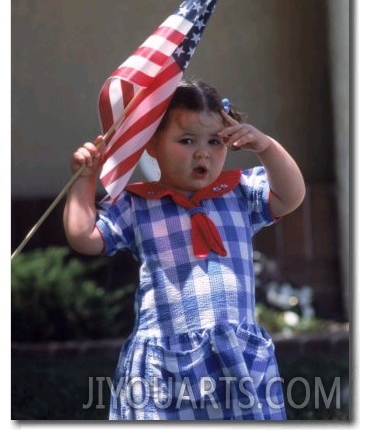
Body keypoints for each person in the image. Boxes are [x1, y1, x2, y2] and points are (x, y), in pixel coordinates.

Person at [63, 80, 306, 420]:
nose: (203, 152)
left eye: (215, 141)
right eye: (187, 140)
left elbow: (291, 195)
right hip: (165, 363)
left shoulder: (238, 192)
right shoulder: (137, 203)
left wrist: (266, 147)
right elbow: (84, 235)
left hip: (235, 357)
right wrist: (85, 181)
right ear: (151, 143)